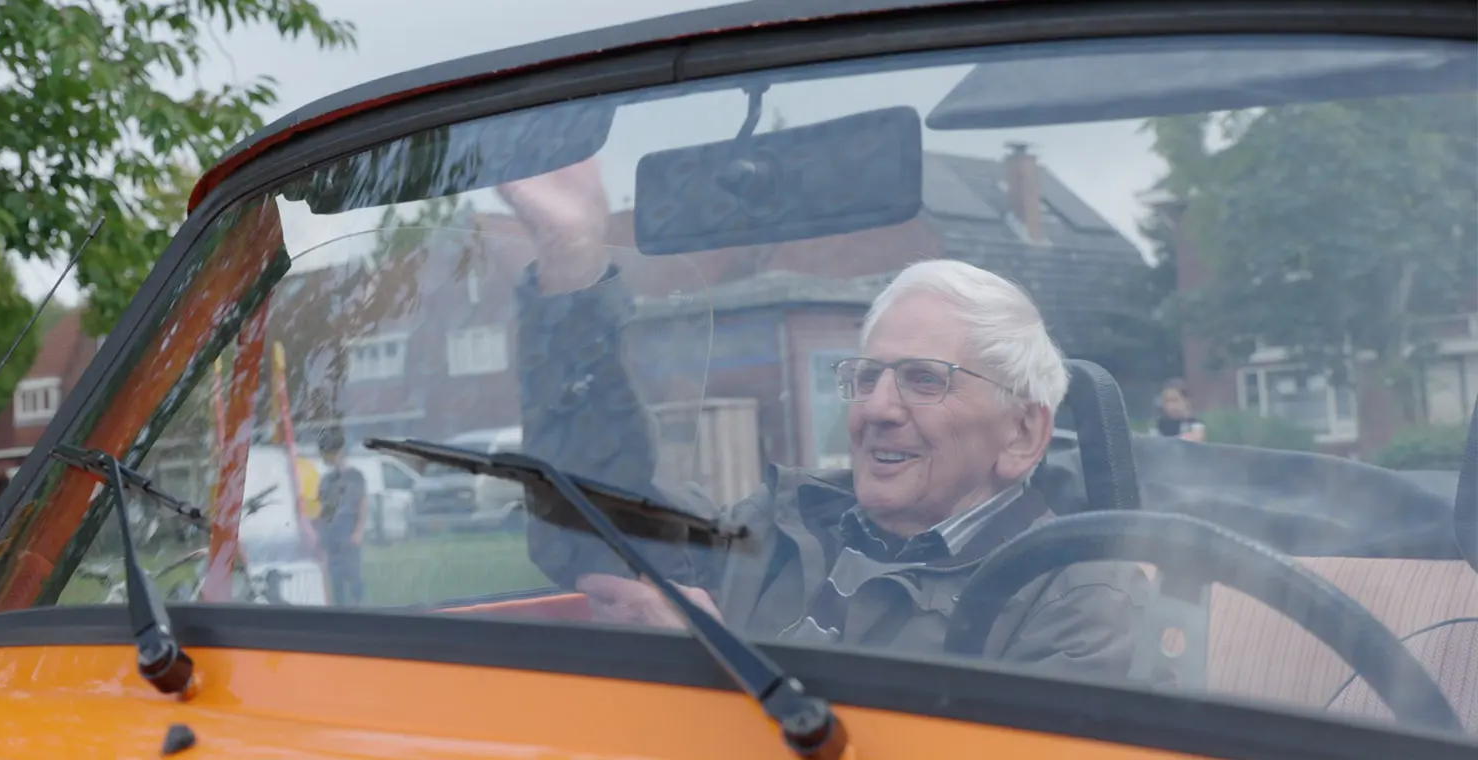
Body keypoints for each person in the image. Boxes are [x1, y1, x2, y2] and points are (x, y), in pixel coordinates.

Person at [496, 158, 1155, 680]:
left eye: (925, 379)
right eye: (868, 376)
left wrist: (716, 683)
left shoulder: (1078, 600)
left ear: (1023, 434)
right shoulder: (789, 522)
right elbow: (590, 534)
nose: (877, 409)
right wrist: (571, 260)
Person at [314, 427, 369, 606]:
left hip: (349, 531)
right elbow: (324, 510)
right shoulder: (326, 481)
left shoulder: (355, 476)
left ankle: (359, 607)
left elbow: (362, 504)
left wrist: (358, 531)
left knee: (354, 576)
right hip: (332, 535)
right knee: (336, 579)